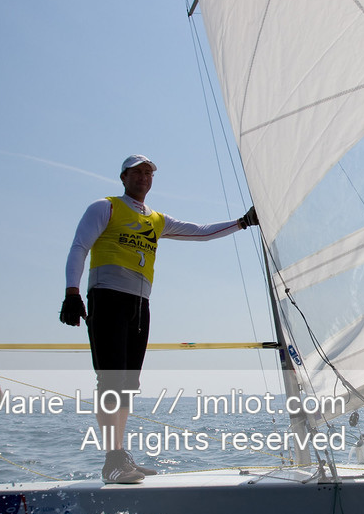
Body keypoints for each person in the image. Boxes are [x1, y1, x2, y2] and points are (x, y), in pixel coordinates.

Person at [61, 154, 257, 484]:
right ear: (123, 177)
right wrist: (71, 292)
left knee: (127, 385)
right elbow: (79, 247)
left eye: (148, 173)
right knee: (110, 381)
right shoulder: (105, 207)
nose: (143, 177)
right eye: (137, 172)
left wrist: (243, 222)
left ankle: (120, 454)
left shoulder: (156, 219)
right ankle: (112, 460)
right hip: (107, 298)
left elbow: (201, 232)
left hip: (140, 305)